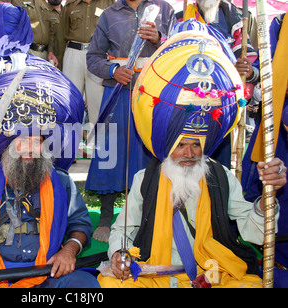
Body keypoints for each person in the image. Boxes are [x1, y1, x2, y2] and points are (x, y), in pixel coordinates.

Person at [96, 30, 287, 288]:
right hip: (157, 274)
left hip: (211, 275)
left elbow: (255, 233)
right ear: (166, 146)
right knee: (111, 284)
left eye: (196, 145)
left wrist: (267, 198)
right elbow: (122, 230)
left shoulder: (220, 177)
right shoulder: (146, 179)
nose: (189, 154)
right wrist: (120, 254)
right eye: (181, 145)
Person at [0, 3, 98, 288]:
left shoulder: (60, 180)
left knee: (84, 286)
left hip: (47, 276)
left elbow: (81, 225)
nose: (29, 149)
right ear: (7, 146)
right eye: (21, 141)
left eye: (36, 142)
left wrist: (69, 250)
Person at [85, 0, 176, 243]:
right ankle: (106, 217)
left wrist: (159, 38)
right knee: (110, 152)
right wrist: (114, 70)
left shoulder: (165, 10)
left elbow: (178, 49)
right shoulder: (108, 14)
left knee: (150, 151)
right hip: (118, 91)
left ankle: (148, 216)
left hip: (154, 93)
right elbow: (93, 57)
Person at [183, 0, 260, 168]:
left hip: (222, 105)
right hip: (186, 103)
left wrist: (246, 70)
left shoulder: (236, 19)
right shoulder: (180, 18)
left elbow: (253, 68)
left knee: (218, 166)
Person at [242, 13, 288, 288]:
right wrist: (252, 73)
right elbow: (267, 70)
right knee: (272, 188)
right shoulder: (281, 24)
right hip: (280, 125)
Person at [61, 0, 114, 125]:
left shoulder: (108, 3)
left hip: (98, 55)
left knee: (97, 100)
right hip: (73, 53)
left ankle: (97, 141)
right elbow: (61, 34)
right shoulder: (70, 4)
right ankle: (69, 140)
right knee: (70, 99)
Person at [11, 0, 58, 65]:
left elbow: (50, 29)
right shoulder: (16, 2)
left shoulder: (43, 2)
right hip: (27, 53)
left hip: (44, 54)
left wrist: (50, 51)